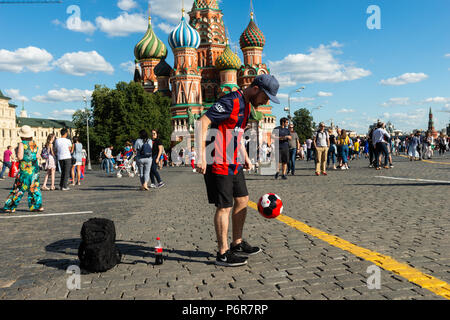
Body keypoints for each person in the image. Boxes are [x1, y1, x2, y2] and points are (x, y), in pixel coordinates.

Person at [197, 74, 279, 267]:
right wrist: (201, 156)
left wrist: (245, 156)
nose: (266, 101)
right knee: (224, 206)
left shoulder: (247, 106)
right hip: (217, 159)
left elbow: (236, 133)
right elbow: (202, 122)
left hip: (233, 161)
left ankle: (237, 243)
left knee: (242, 200)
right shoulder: (230, 101)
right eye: (266, 97)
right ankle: (223, 253)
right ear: (256, 89)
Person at [2, 126, 43, 213]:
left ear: (22, 135)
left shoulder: (22, 144)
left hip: (25, 170)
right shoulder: (34, 144)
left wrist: (17, 157)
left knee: (19, 188)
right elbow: (38, 156)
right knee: (34, 187)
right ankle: (37, 206)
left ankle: (10, 206)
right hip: (34, 169)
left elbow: (20, 157)